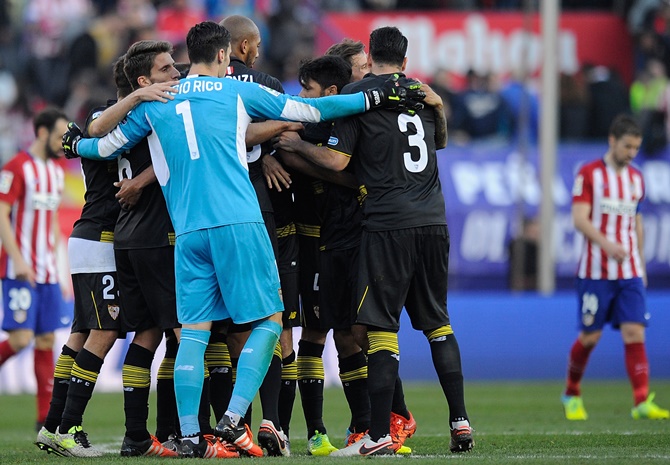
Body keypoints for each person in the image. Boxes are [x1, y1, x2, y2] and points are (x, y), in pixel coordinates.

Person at [62, 21, 423, 458]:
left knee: (193, 333)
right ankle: (234, 418)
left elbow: (101, 146)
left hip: (189, 232)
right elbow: (311, 111)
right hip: (240, 224)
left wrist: (74, 144)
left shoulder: (158, 101)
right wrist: (376, 95)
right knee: (270, 322)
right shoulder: (236, 92)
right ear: (222, 56)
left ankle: (193, 436)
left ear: (188, 57)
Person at [275, 26, 474, 456]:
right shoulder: (420, 93)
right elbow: (438, 141)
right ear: (405, 58)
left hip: (386, 223)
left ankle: (379, 432)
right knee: (438, 323)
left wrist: (293, 146)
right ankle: (460, 420)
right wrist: (438, 105)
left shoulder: (359, 97)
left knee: (379, 329)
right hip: (434, 220)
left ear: (372, 59)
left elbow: (337, 159)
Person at [34, 55, 178, 458]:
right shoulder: (110, 118)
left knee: (83, 332)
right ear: (136, 85)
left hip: (94, 239)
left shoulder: (119, 121)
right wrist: (137, 99)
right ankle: (68, 427)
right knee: (105, 331)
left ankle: (53, 425)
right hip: (100, 238)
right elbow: (94, 129)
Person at [562, 114, 669, 421]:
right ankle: (571, 392)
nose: (632, 153)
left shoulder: (636, 178)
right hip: (595, 272)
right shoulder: (590, 174)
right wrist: (607, 245)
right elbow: (579, 218)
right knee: (590, 337)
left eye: (636, 148)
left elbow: (636, 220)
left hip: (630, 271)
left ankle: (641, 401)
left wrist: (641, 261)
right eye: (627, 146)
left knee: (635, 332)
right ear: (612, 141)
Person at [0, 107, 68, 435]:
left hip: (49, 273)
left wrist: (61, 266)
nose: (63, 142)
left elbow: (52, 222)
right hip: (19, 270)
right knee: (19, 339)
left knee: (45, 340)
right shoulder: (16, 167)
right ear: (42, 133)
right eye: (59, 136)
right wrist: (18, 258)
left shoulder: (56, 171)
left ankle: (44, 418)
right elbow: (2, 215)